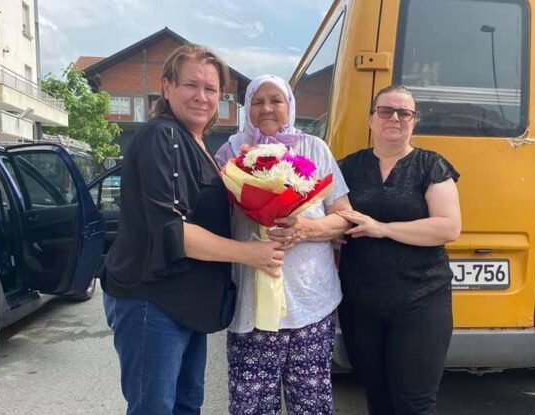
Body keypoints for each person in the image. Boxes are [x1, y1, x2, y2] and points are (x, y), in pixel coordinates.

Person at [101, 45, 285, 415]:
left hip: (187, 302)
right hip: (153, 298)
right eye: (191, 85)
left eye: (211, 89)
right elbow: (174, 229)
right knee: (154, 407)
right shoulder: (162, 137)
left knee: (187, 405)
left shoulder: (197, 143)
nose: (201, 96)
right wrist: (251, 254)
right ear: (167, 87)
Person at [214, 74, 351, 415]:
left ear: (289, 105)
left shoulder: (314, 149)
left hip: (311, 303)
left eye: (276, 100)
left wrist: (307, 228)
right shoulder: (229, 154)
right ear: (247, 108)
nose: (267, 108)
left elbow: (344, 218)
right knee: (251, 407)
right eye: (257, 101)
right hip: (253, 305)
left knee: (312, 405)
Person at [336, 85, 462, 415]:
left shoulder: (431, 165)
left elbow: (449, 227)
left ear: (414, 121)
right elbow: (329, 216)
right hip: (361, 303)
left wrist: (382, 229)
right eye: (386, 111)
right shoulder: (347, 168)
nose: (395, 118)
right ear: (371, 120)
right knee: (377, 397)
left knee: (414, 402)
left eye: (404, 113)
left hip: (421, 300)